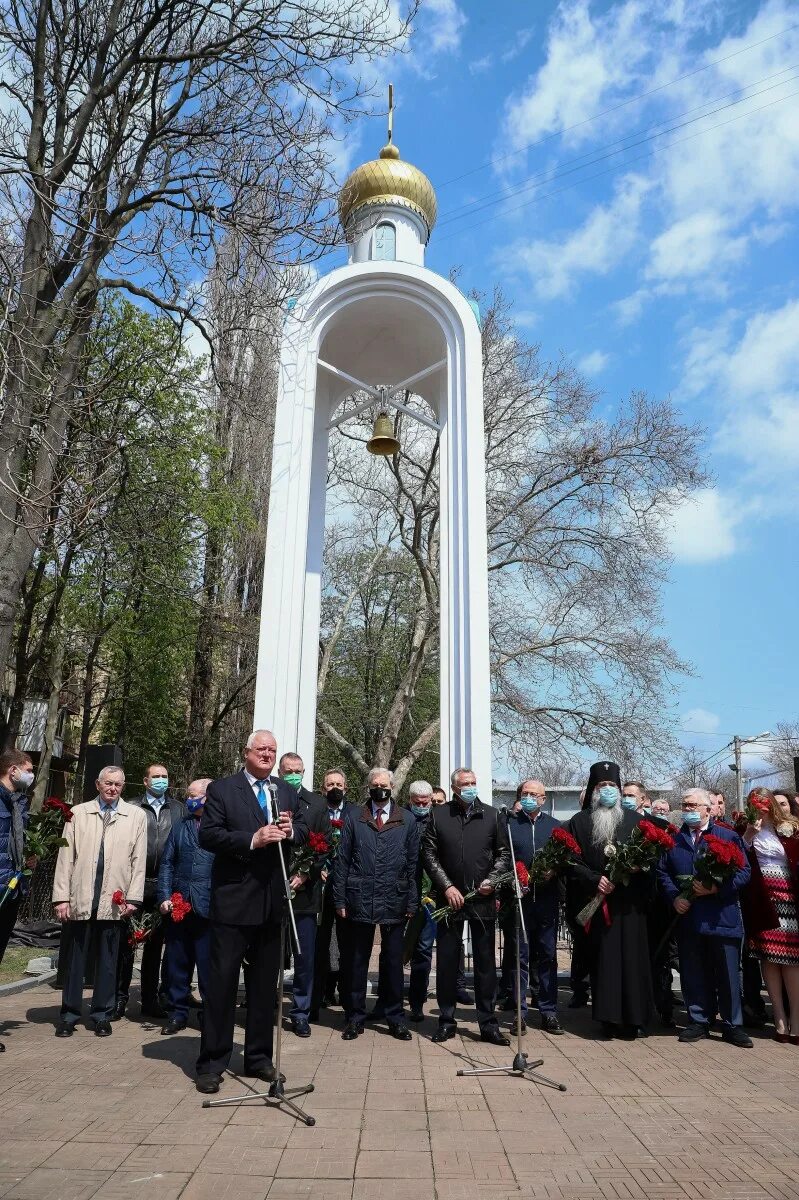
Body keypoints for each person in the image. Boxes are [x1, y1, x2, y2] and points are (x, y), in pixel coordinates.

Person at [194, 729, 307, 1094]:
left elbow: (304, 831)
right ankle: (212, 1061)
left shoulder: (285, 790)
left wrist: (292, 832)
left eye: (272, 750)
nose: (267, 754)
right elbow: (208, 836)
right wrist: (251, 840)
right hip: (233, 902)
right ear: (246, 752)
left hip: (272, 903)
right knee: (223, 984)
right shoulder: (224, 789)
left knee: (263, 988)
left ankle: (258, 1058)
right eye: (262, 749)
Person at [52, 766, 147, 1037]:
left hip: (114, 900)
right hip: (80, 896)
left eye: (118, 784)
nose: (112, 788)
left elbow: (138, 861)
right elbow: (64, 858)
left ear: (123, 786)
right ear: (97, 784)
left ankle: (102, 1014)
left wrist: (133, 898)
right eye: (108, 783)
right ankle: (69, 1015)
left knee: (108, 960)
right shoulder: (78, 813)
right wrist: (61, 897)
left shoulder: (135, 816)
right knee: (75, 960)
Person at [657, 788, 752, 1047]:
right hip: (690, 920)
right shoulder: (674, 841)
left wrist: (717, 888)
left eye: (693, 806)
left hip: (722, 917)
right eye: (684, 805)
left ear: (708, 809)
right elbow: (662, 873)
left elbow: (744, 873)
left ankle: (733, 1024)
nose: (688, 810)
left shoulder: (727, 836)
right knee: (693, 972)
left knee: (728, 975)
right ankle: (699, 1020)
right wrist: (675, 897)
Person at [422, 767, 511, 1045]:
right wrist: (446, 886)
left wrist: (492, 880)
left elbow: (504, 853)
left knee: (485, 962)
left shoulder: (492, 815)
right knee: (448, 961)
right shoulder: (439, 815)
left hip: (482, 899)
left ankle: (487, 1022)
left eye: (473, 782)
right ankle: (446, 1020)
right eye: (464, 784)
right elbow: (428, 852)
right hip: (450, 900)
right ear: (454, 788)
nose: (470, 787)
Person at [566, 761, 653, 1038]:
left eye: (612, 786)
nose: (607, 790)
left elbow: (651, 857)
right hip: (598, 903)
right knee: (604, 961)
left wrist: (638, 868)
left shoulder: (638, 822)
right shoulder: (579, 822)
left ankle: (634, 1018)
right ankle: (608, 1018)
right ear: (593, 790)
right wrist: (594, 879)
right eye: (602, 786)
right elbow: (570, 860)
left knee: (633, 958)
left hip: (630, 905)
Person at [334, 768, 419, 1041]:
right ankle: (355, 1017)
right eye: (375, 784)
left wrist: (412, 899)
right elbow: (342, 861)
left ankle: (395, 1017)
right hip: (359, 897)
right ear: (368, 787)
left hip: (395, 897)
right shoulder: (353, 817)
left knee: (393, 962)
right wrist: (340, 898)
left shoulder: (406, 819)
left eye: (384, 785)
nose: (379, 789)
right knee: (357, 961)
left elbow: (413, 865)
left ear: (393, 787)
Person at [116, 763, 184, 1020]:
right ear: (145, 781)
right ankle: (120, 998)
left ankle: (150, 1000)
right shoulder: (131, 807)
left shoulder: (177, 809)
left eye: (165, 777)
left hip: (163, 885)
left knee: (155, 946)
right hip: (134, 883)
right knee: (127, 944)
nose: (161, 781)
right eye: (156, 777)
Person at [502, 779, 563, 1035]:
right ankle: (520, 1013)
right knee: (520, 957)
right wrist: (513, 879)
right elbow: (501, 858)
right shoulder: (508, 824)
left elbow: (566, 860)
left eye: (534, 794)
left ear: (543, 798)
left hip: (547, 901)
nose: (529, 797)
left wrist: (555, 870)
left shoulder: (556, 827)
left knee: (547, 957)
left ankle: (548, 1011)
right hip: (520, 901)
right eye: (525, 793)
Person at [739, 787, 799, 1042]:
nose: (762, 810)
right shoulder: (745, 828)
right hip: (762, 897)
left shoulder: (789, 827)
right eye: (757, 805)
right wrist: (748, 835)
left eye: (766, 806)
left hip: (789, 895)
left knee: (791, 958)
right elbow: (738, 859)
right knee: (770, 958)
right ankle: (779, 1019)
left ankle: (796, 1017)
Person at [157, 778, 214, 1034]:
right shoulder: (181, 825)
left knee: (208, 965)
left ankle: (209, 1014)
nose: (189, 800)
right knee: (178, 963)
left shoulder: (221, 826)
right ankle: (177, 1012)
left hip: (210, 905)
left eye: (193, 795)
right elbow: (167, 862)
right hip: (180, 904)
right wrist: (165, 896)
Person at [279, 752, 331, 1038]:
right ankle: (265, 1006)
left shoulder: (317, 803)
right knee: (270, 953)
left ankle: (300, 1011)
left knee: (304, 956)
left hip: (305, 892)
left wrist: (304, 874)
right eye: (288, 770)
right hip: (272, 889)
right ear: (280, 770)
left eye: (298, 770)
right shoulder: (270, 798)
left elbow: (322, 846)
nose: (293, 774)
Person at [625, 780, 676, 1027]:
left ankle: (663, 1007)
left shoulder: (662, 827)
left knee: (659, 959)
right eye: (624, 794)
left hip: (654, 903)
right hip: (626, 904)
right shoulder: (617, 825)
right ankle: (638, 1012)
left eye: (632, 795)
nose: (627, 798)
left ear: (644, 799)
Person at [312, 767, 355, 1021]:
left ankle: (350, 1002)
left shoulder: (355, 813)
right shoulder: (315, 811)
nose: (335, 788)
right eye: (330, 785)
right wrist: (318, 868)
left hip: (347, 889)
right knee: (319, 947)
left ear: (346, 788)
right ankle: (315, 1003)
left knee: (349, 947)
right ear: (322, 788)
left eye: (339, 784)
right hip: (319, 887)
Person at [0, 749, 35, 1052]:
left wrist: (28, 860)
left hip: (11, 890)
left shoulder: (18, 802)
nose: (31, 775)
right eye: (28, 769)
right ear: (13, 770)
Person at [404, 780, 436, 1021]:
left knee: (424, 951)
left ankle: (416, 1001)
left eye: (426, 802)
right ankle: (390, 1000)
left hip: (430, 897)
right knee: (396, 951)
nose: (423, 806)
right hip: (402, 894)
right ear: (410, 800)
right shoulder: (401, 819)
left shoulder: (438, 820)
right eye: (418, 802)